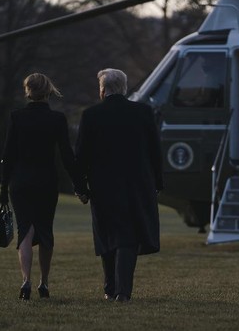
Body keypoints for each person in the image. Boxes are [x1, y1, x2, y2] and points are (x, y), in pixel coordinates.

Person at [75, 68, 164, 302]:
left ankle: (109, 287)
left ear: (102, 90)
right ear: (124, 88)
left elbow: (81, 156)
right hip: (137, 184)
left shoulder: (91, 115)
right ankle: (122, 291)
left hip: (102, 185)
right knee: (128, 237)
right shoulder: (143, 112)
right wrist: (158, 181)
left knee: (107, 235)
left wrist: (81, 187)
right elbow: (155, 151)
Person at [0, 73, 87, 301]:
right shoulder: (57, 119)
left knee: (25, 230)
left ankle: (26, 280)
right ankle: (44, 282)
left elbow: (8, 156)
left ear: (28, 91)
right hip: (46, 181)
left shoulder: (17, 117)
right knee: (45, 230)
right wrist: (80, 185)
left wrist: (2, 188)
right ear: (48, 91)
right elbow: (67, 155)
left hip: (20, 181)